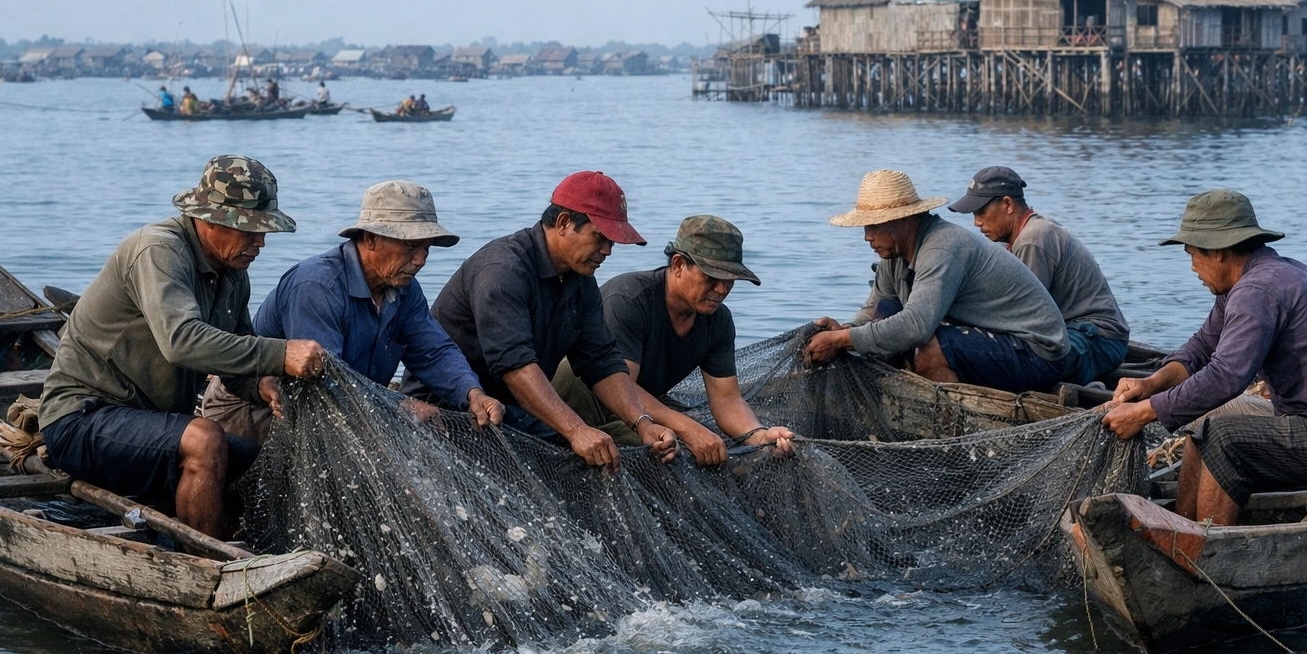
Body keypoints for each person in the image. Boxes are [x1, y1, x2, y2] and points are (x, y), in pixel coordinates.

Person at [38, 156, 328, 539]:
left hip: (151, 425)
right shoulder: (159, 251)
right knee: (204, 439)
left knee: (259, 466)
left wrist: (260, 385)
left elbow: (235, 360)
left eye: (264, 232)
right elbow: (182, 342)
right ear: (209, 219)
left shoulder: (234, 276)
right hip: (81, 418)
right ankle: (210, 563)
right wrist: (281, 354)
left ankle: (242, 547)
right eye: (250, 230)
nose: (260, 242)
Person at [1100, 190, 1307, 526]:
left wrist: (1144, 413)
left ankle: (1206, 554)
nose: (1192, 267)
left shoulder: (1256, 291)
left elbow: (1225, 377)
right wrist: (1150, 385)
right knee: (1202, 426)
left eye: (1193, 255)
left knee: (1224, 437)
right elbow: (1200, 349)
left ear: (1218, 252)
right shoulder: (1254, 279)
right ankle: (1182, 529)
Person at [202, 180, 505, 444]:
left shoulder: (404, 289)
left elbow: (434, 351)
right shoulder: (316, 285)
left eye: (426, 248)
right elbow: (326, 384)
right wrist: (399, 407)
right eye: (411, 246)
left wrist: (472, 394)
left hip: (354, 407)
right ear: (371, 238)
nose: (421, 260)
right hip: (255, 405)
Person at [425, 171, 677, 470]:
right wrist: (576, 430)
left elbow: (601, 360)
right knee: (580, 451)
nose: (608, 251)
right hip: (451, 409)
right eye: (600, 237)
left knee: (622, 454)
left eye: (612, 242)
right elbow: (515, 367)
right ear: (563, 223)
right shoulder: (503, 269)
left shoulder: (581, 280)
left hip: (515, 412)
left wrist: (643, 422)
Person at [553, 215, 795, 466]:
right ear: (678, 265)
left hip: (639, 413)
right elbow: (622, 385)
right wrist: (687, 429)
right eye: (712, 277)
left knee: (712, 449)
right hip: (578, 406)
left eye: (730, 280)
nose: (722, 290)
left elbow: (727, 399)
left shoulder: (718, 321)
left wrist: (758, 436)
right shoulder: (629, 299)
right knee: (672, 455)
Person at [806, 170, 1069, 393]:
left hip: (1038, 353)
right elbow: (873, 309)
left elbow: (916, 327)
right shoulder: (893, 256)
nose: (867, 237)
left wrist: (839, 340)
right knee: (886, 312)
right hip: (992, 338)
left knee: (928, 349)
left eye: (872, 227)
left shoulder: (942, 248)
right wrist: (845, 328)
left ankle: (955, 430)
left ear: (900, 221)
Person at [948, 166, 1130, 385]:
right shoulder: (1030, 231)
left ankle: (1087, 384)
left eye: (981, 212)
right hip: (1078, 332)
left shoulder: (1032, 240)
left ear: (1007, 204)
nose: (976, 222)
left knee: (1012, 359)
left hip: (1097, 339)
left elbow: (1022, 317)